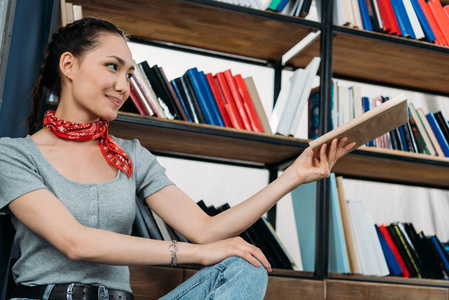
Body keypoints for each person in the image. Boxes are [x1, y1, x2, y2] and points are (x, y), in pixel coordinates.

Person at [0, 17, 355, 300]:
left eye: (129, 75)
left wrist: (293, 175)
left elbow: (206, 230)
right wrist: (195, 254)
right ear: (69, 65)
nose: (123, 87)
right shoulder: (14, 156)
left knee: (245, 266)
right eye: (112, 66)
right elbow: (75, 242)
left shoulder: (131, 155)